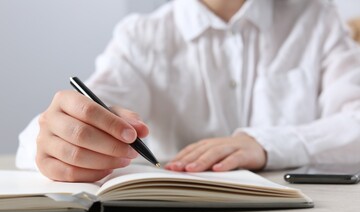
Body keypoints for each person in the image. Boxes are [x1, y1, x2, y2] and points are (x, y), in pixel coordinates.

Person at [16, 0, 360, 182]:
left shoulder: (318, 18)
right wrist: (54, 139)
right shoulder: (141, 36)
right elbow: (86, 110)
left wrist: (265, 143)